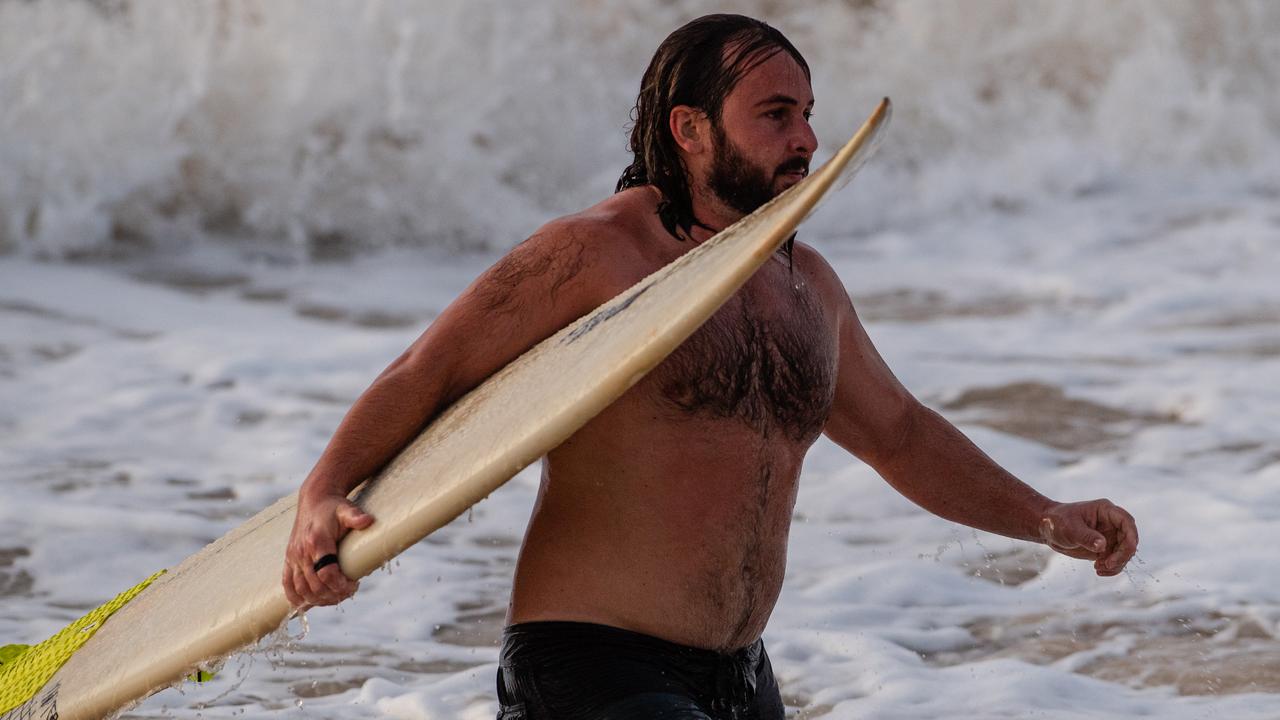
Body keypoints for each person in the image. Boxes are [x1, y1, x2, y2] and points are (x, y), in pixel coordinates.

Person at [282, 13, 1139, 720]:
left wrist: (1044, 516)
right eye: (775, 115)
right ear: (689, 130)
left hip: (738, 679)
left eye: (808, 113)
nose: (806, 139)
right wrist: (325, 492)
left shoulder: (807, 285)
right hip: (592, 668)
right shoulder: (595, 256)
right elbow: (426, 372)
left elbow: (901, 436)